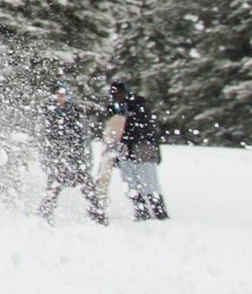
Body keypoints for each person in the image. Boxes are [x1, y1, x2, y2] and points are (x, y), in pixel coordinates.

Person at [37, 83, 107, 225]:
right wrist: (48, 159)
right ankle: (44, 215)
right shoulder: (48, 114)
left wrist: (85, 159)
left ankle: (98, 214)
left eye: (63, 95)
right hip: (57, 158)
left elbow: (85, 137)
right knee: (53, 188)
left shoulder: (76, 113)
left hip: (76, 157)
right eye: (58, 95)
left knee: (88, 188)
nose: (60, 98)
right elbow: (44, 139)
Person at [104, 79, 169, 220]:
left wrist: (126, 133)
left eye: (119, 92)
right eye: (114, 93)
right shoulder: (115, 108)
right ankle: (141, 210)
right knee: (132, 182)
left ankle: (159, 211)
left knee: (149, 182)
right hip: (125, 150)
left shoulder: (138, 106)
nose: (117, 95)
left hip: (143, 148)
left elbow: (145, 129)